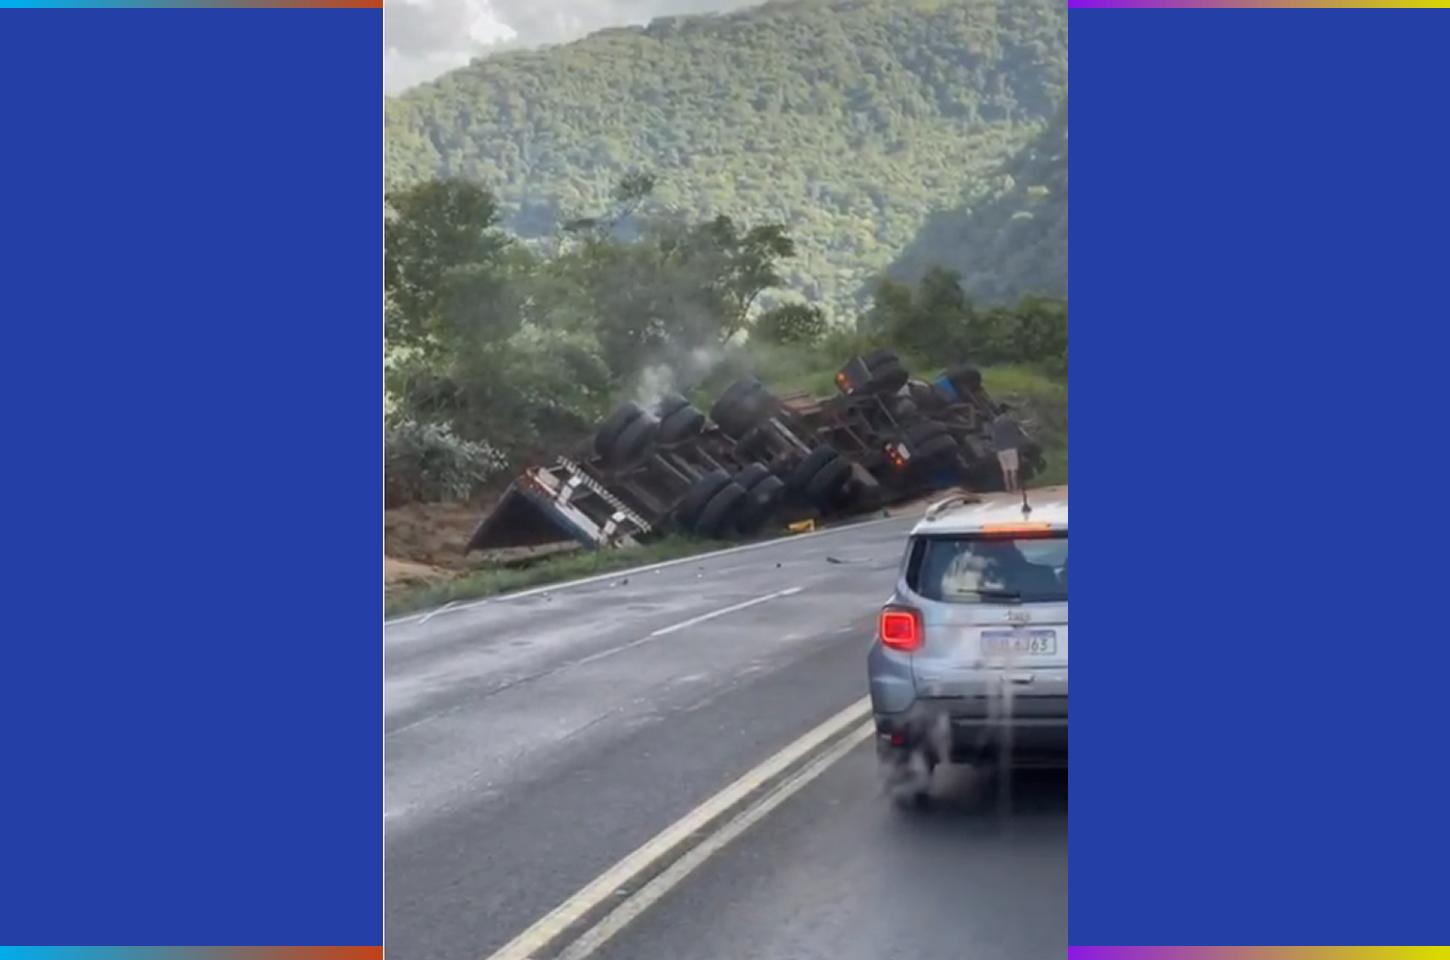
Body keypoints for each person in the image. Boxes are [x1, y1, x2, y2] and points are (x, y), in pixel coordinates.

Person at [991, 406, 1028, 492]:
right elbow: (1020, 425)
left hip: (1000, 450)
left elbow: (993, 436)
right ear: (1006, 412)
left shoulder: (995, 422)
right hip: (1011, 448)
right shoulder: (1010, 420)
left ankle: (1008, 488)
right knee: (1013, 470)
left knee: (1005, 471)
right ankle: (1015, 488)